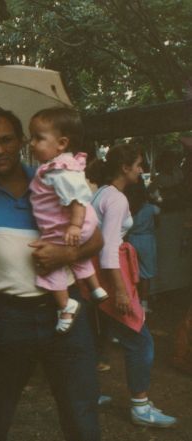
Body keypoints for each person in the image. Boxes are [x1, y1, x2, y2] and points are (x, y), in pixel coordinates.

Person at [0, 110, 102, 441]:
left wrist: (66, 254)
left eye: (6, 139)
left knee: (80, 410)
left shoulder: (55, 175)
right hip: (9, 317)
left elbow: (96, 239)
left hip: (65, 312)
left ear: (21, 141)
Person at [89, 143, 176, 427]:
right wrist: (122, 291)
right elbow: (108, 249)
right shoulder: (116, 199)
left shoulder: (102, 193)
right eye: (138, 165)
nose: (141, 170)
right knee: (141, 342)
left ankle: (88, 394)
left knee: (97, 336)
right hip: (110, 275)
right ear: (125, 168)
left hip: (96, 275)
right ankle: (140, 406)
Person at [27, 107, 108, 333]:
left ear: (61, 143)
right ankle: (95, 288)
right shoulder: (63, 165)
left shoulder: (57, 170)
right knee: (76, 255)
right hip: (80, 224)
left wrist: (74, 224)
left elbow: (76, 199)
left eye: (38, 138)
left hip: (69, 224)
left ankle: (65, 305)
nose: (31, 143)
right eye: (31, 137)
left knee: (49, 263)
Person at [125, 176, 160, 313]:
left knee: (132, 272)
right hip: (147, 241)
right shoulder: (152, 208)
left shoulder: (128, 208)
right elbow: (157, 224)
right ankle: (144, 304)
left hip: (131, 239)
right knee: (145, 274)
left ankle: (133, 301)